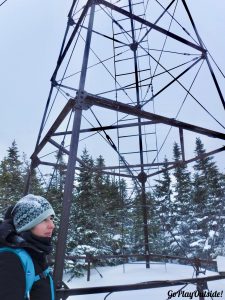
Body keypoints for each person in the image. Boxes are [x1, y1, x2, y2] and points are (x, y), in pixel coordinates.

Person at [0, 194, 55, 300]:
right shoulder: (11, 259)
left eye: (51, 218)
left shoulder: (35, 252)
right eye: (44, 219)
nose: (52, 225)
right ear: (26, 224)